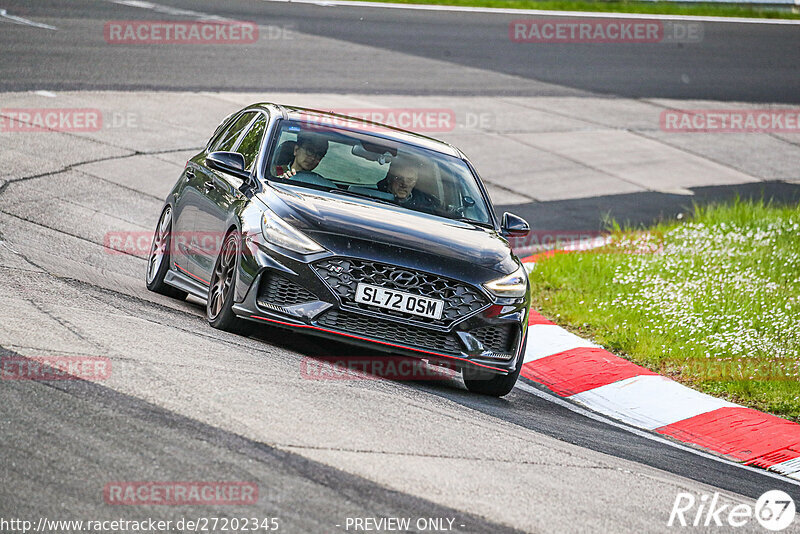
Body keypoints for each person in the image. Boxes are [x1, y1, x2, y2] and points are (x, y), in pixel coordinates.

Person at [376, 156, 442, 215]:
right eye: (399, 178)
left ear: (415, 182)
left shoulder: (428, 206)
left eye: (410, 180)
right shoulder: (373, 198)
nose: (404, 184)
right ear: (389, 179)